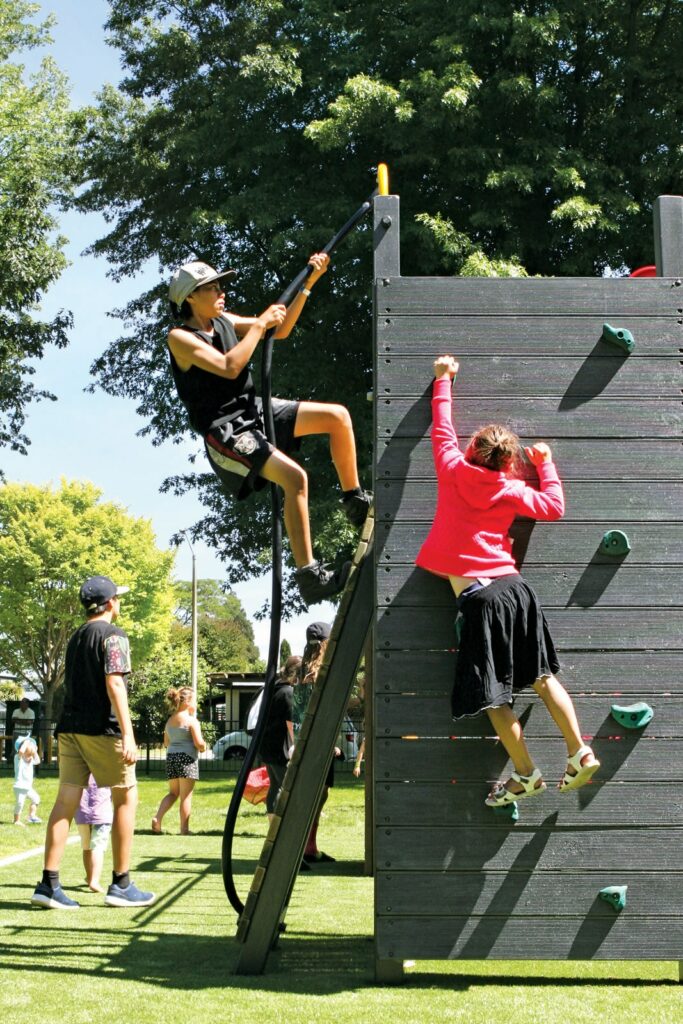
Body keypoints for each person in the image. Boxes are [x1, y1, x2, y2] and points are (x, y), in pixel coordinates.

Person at [416, 356, 600, 807]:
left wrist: (444, 378)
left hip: (481, 597)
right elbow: (553, 506)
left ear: (473, 447)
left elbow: (441, 427)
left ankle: (525, 774)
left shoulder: (453, 469)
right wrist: (546, 463)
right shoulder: (512, 489)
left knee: (493, 695)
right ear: (508, 460)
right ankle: (580, 751)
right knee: (541, 676)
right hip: (516, 589)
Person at [167, 254, 372, 606]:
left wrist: (309, 283)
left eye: (220, 285)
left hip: (254, 409)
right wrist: (260, 326)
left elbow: (282, 328)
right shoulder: (180, 338)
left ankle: (353, 501)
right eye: (212, 288)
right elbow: (231, 367)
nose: (221, 292)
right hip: (226, 429)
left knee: (337, 417)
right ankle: (309, 576)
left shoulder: (225, 321)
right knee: (296, 479)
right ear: (189, 297)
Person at [31, 575, 155, 910]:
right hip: (103, 731)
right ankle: (121, 884)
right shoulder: (114, 635)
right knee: (126, 797)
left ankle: (48, 884)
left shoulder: (75, 637)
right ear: (111, 602)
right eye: (118, 598)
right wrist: (129, 734)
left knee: (65, 802)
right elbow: (115, 684)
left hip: (70, 729)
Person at [294, 621, 340, 863]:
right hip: (317, 743)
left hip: (309, 741)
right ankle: (305, 847)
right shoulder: (317, 673)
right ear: (325, 643)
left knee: (319, 796)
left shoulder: (302, 670)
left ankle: (310, 846)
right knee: (315, 797)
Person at [152, 686, 206, 835]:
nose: (195, 703)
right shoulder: (191, 721)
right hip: (187, 758)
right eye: (194, 700)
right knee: (186, 795)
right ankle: (184, 829)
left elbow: (166, 742)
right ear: (187, 701)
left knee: (173, 793)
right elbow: (199, 743)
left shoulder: (170, 720)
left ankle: (157, 819)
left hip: (171, 757)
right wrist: (203, 747)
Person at [258, 656, 301, 823]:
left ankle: (272, 825)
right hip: (280, 748)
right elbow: (291, 722)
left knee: (275, 786)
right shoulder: (288, 693)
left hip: (267, 745)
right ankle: (283, 825)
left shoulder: (273, 689)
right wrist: (296, 744)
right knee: (287, 786)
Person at [74, 775, 113, 893]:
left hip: (82, 813)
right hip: (101, 813)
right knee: (98, 847)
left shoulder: (80, 766)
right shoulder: (104, 768)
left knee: (86, 847)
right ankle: (94, 881)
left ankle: (89, 876)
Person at [13, 736, 42, 826]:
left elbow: (38, 761)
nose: (30, 756)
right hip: (20, 786)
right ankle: (16, 820)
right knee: (20, 803)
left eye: (31, 754)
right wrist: (26, 742)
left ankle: (31, 815)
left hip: (28, 787)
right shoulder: (18, 759)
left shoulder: (31, 760)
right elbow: (21, 751)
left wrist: (34, 751)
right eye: (28, 753)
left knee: (36, 799)